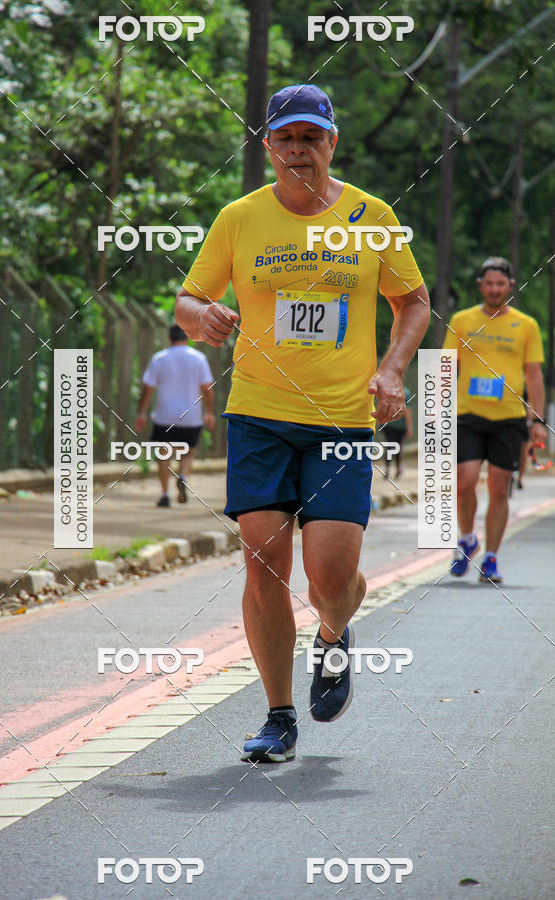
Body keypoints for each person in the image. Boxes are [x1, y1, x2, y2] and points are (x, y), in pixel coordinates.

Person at [176, 83, 429, 763]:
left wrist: (393, 370)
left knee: (331, 576)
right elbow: (188, 297)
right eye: (285, 139)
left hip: (343, 420)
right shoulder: (239, 218)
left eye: (310, 139)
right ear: (268, 147)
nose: (298, 151)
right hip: (258, 415)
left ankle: (334, 631)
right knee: (262, 563)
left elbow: (413, 301)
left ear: (331, 144)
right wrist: (200, 317)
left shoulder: (371, 217)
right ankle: (278, 715)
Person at [443, 257, 546, 583]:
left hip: (509, 418)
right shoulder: (462, 320)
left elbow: (534, 374)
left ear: (510, 286)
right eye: (488, 284)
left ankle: (491, 558)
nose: (494, 289)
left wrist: (538, 419)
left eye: (500, 284)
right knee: (465, 481)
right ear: (480, 286)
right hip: (468, 414)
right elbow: (446, 365)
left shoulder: (526, 325)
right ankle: (467, 539)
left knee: (500, 489)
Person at [134, 324, 215, 506]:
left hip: (165, 416)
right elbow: (207, 389)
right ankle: (183, 477)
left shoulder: (160, 358)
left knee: (164, 454)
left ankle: (164, 494)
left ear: (170, 339)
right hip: (191, 416)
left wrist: (141, 413)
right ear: (187, 337)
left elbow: (147, 389)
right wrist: (209, 411)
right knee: (188, 452)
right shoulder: (199, 358)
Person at [382, 385, 413, 479]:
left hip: (388, 424)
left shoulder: (387, 390)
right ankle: (398, 469)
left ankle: (387, 469)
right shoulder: (405, 392)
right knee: (398, 447)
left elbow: (383, 407)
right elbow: (407, 411)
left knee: (389, 446)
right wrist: (409, 427)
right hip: (400, 425)